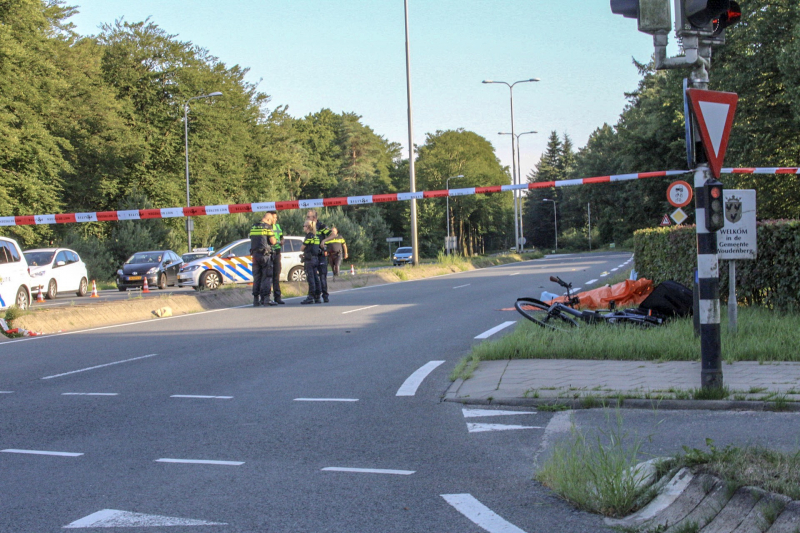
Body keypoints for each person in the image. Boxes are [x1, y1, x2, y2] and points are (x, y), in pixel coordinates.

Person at [249, 212, 277, 307]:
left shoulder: (253, 227)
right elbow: (273, 241)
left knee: (257, 277)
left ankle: (256, 299)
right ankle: (266, 299)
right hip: (265, 256)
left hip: (255, 255)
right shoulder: (267, 227)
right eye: (271, 221)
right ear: (268, 219)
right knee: (266, 277)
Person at [306, 209, 331, 302]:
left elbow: (333, 234)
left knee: (322, 276)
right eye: (307, 217)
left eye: (309, 217)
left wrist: (324, 241)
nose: (307, 218)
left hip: (321, 255)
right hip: (313, 256)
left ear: (315, 218)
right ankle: (316, 296)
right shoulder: (309, 227)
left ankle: (325, 295)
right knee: (313, 276)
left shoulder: (321, 226)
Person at [300, 219, 321, 304]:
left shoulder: (309, 236)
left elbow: (302, 248)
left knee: (311, 278)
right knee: (316, 278)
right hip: (315, 259)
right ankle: (317, 296)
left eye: (304, 226)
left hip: (309, 260)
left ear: (308, 227)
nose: (303, 228)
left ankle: (310, 297)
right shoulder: (316, 236)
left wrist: (304, 254)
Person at [269, 211, 285, 304]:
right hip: (269, 252)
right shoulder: (267, 227)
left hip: (277, 252)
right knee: (268, 276)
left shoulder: (278, 226)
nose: (275, 219)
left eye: (276, 217)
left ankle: (277, 297)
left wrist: (282, 240)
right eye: (274, 217)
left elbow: (281, 237)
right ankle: (267, 297)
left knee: (276, 275)